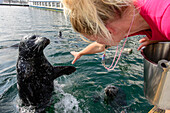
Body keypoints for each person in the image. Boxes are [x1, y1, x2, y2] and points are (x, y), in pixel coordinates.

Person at [62, 0, 170, 112]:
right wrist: (81, 53)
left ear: (109, 31)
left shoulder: (166, 18)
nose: (99, 42)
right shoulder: (129, 19)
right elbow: (100, 46)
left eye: (95, 39)